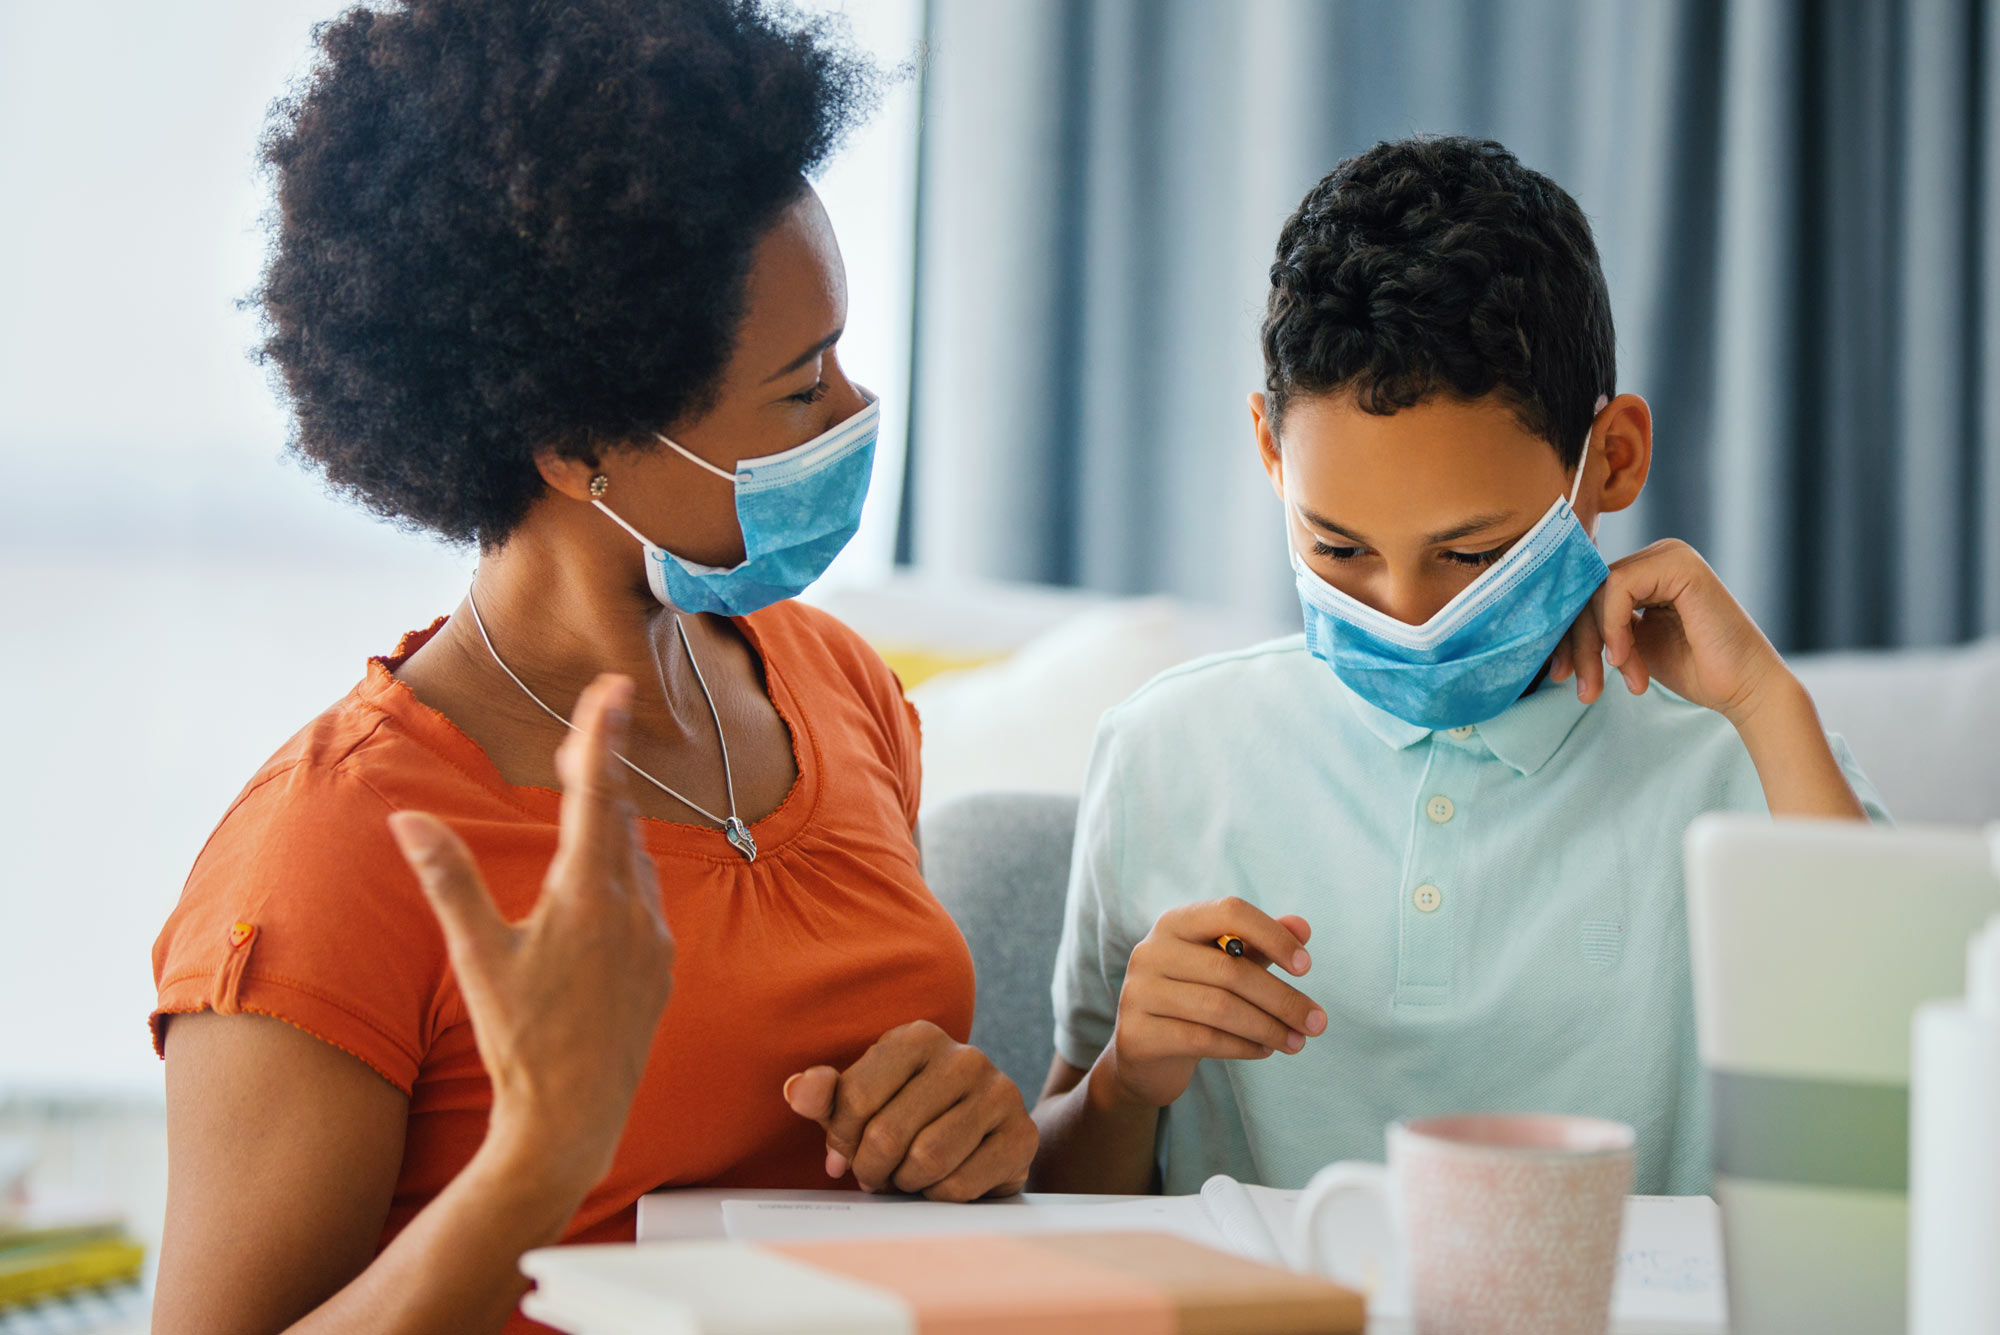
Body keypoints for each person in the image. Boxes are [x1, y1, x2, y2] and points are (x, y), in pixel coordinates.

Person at [148, 3, 1036, 1331]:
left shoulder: (833, 682)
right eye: (800, 389)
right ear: (579, 442)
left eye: (844, 355)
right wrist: (531, 1163)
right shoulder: (335, 852)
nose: (855, 413)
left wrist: (970, 1133)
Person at [1029, 136, 1889, 1200]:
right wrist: (1125, 1083)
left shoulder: (1746, 768)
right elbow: (1052, 1196)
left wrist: (1763, 704)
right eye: (1337, 549)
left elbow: (1905, 1148)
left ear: (1611, 458)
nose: (1405, 616)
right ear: (1267, 451)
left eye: (1472, 555)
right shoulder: (1164, 753)